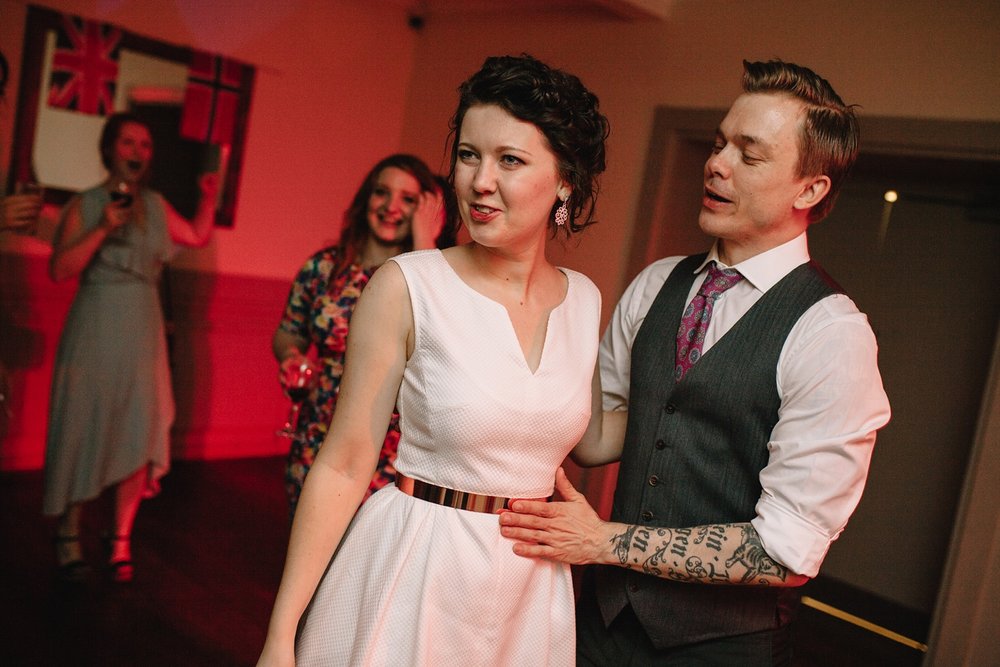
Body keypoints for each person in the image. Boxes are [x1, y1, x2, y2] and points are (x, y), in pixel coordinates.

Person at [500, 59, 892, 664]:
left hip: (720, 649)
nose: (717, 163)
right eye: (718, 144)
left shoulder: (831, 334)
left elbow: (783, 553)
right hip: (598, 626)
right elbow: (597, 439)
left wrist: (604, 542)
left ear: (809, 189)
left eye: (750, 154)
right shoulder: (657, 283)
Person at [257, 53, 609, 666]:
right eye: (469, 155)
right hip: (415, 565)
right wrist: (281, 632)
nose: (479, 181)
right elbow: (343, 464)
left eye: (510, 160)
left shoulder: (584, 299)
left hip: (530, 588)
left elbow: (596, 437)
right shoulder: (405, 285)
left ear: (566, 181)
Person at [44, 112, 219, 584]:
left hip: (143, 327)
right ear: (109, 150)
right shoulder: (87, 203)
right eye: (127, 142)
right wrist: (103, 225)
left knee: (140, 427)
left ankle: (119, 536)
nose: (137, 151)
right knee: (85, 424)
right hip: (96, 322)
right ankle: (69, 531)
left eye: (144, 144)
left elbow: (197, 235)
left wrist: (208, 197)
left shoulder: (159, 205)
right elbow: (60, 269)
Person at [272, 154, 458, 516]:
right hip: (319, 437)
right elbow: (287, 332)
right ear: (364, 200)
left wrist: (425, 238)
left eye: (408, 199)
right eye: (381, 193)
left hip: (393, 453)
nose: (391, 207)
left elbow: (440, 335)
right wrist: (292, 356)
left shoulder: (430, 277)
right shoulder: (324, 267)